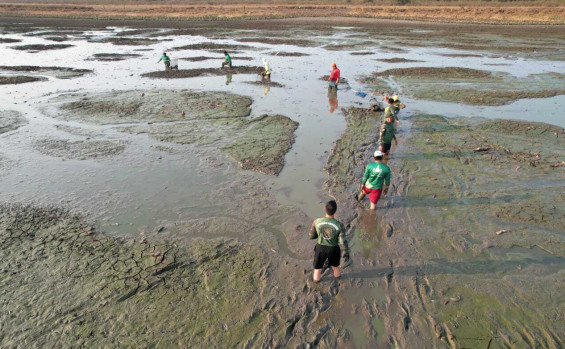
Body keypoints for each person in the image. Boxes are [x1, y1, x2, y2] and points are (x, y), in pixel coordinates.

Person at [309, 200, 350, 283]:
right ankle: (338, 280)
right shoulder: (339, 225)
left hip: (320, 248)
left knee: (317, 269)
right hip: (333, 249)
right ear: (335, 210)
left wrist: (319, 234)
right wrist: (346, 252)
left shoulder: (317, 221)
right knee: (335, 267)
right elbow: (343, 241)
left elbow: (311, 236)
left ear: (325, 209)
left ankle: (316, 283)